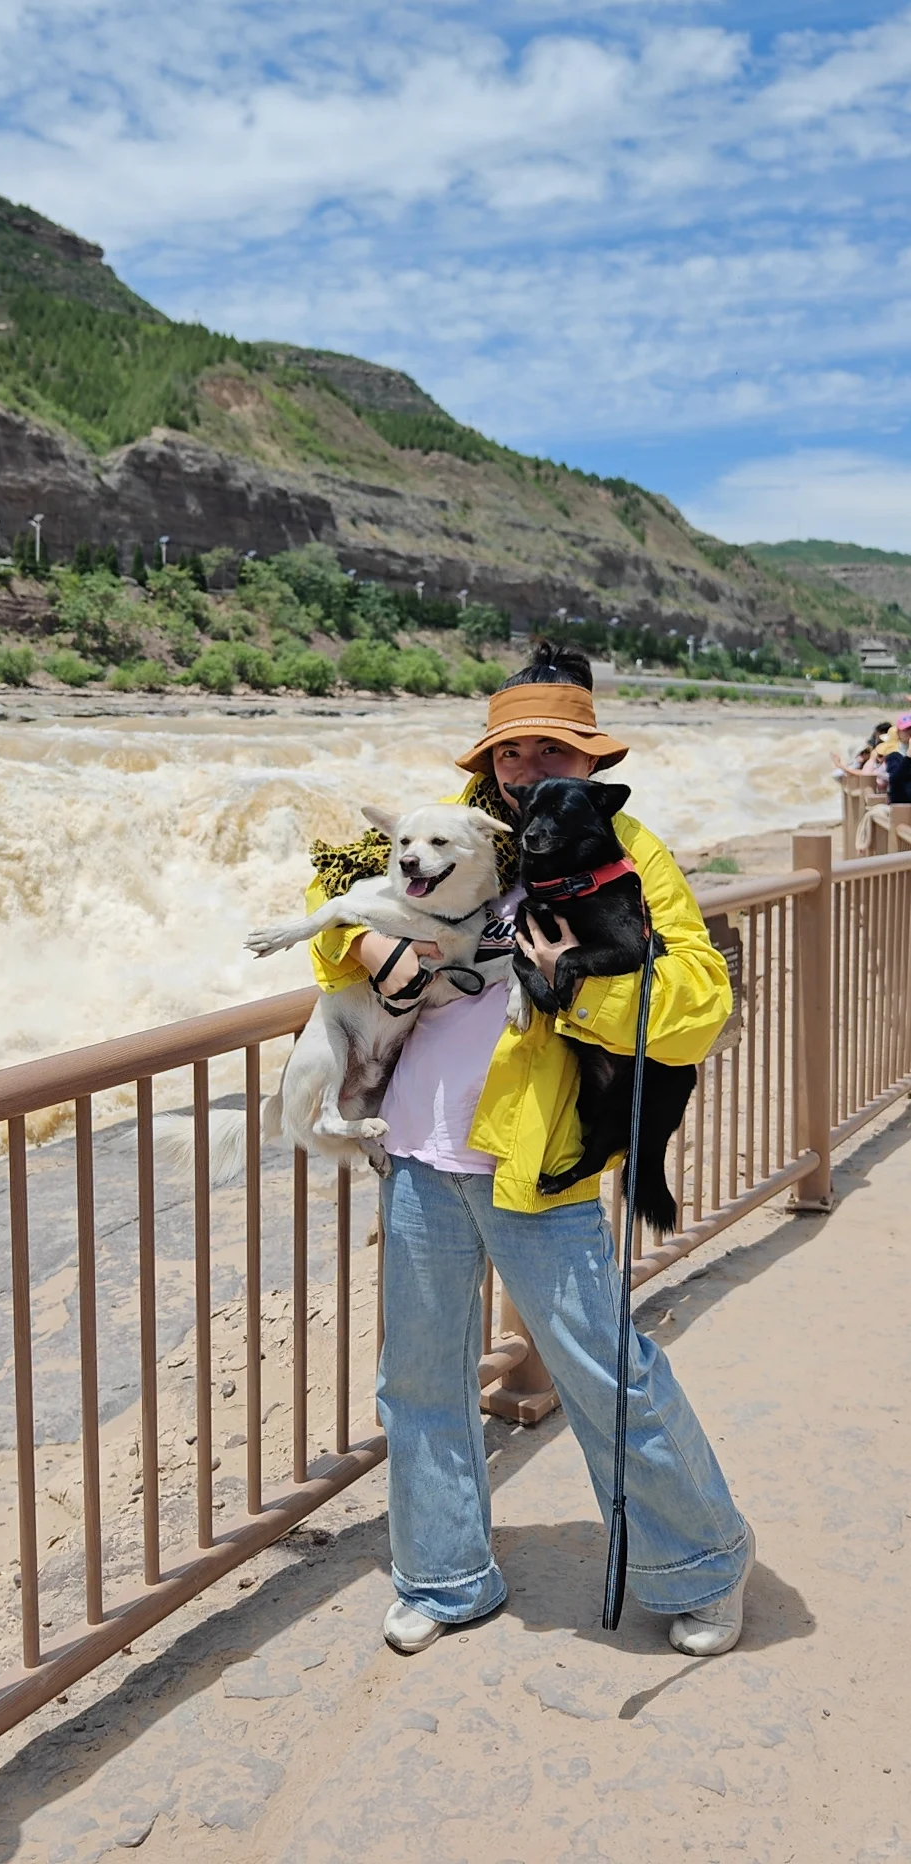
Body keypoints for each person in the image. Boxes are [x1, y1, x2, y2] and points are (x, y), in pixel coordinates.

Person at [305, 642, 754, 1659]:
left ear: (591, 760)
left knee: (605, 1373)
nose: (528, 770)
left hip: (534, 1164)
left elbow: (698, 1005)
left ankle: (704, 1565)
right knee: (419, 1380)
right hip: (417, 1151)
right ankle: (444, 1576)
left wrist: (576, 985)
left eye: (553, 750)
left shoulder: (624, 849)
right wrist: (360, 945)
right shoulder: (450, 834)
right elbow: (339, 911)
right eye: (511, 753)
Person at [882, 712, 911, 804]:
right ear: (898, 733)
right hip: (902, 805)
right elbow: (894, 779)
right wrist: (908, 758)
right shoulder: (894, 755)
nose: (910, 732)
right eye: (906, 729)